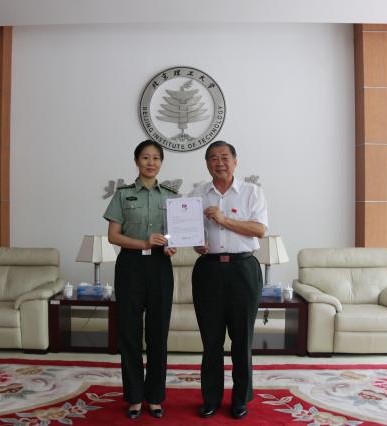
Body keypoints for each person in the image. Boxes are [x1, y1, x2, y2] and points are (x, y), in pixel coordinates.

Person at [189, 140, 268, 420]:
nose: (219, 163)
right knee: (211, 340)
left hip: (242, 269)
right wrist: (195, 242)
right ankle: (210, 398)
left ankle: (240, 399)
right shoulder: (197, 194)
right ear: (207, 164)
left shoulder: (252, 192)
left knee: (242, 339)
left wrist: (223, 220)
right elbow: (189, 230)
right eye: (213, 158)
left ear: (235, 161)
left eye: (225, 157)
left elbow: (259, 229)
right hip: (208, 270)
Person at [103, 139, 178, 419]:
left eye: (156, 158)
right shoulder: (123, 195)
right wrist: (144, 242)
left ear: (161, 163)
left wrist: (171, 245)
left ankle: (155, 397)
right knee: (130, 333)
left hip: (160, 266)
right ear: (136, 161)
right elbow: (113, 236)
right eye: (145, 157)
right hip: (130, 266)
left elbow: (175, 234)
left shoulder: (171, 196)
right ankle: (134, 397)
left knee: (158, 334)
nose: (151, 163)